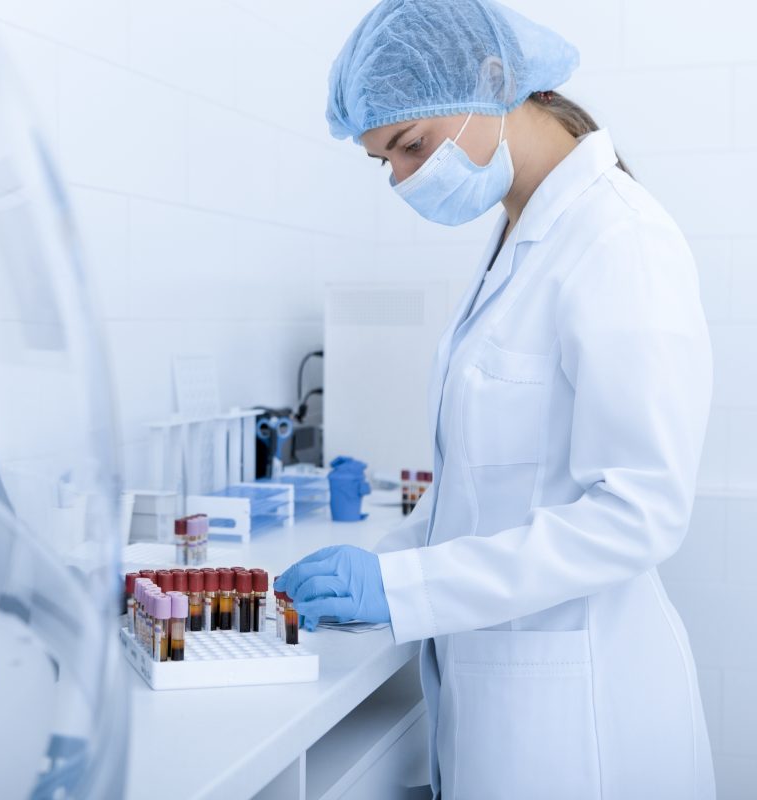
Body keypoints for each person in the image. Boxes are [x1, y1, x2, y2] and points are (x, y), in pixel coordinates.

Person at [274, 1, 715, 797]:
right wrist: (387, 563)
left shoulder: (620, 239)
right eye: (385, 163)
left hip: (583, 724)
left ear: (493, 80)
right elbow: (486, 491)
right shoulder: (518, 234)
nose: (404, 179)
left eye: (410, 146)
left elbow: (639, 513)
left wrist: (404, 590)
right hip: (500, 701)